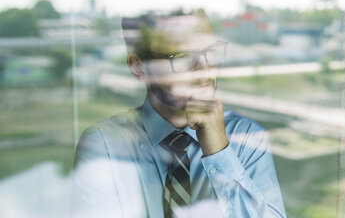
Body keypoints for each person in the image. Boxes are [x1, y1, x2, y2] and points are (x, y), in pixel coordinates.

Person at [72, 11, 286, 218]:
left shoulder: (245, 136)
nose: (204, 68)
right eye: (183, 57)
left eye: (210, 51)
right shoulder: (105, 144)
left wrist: (219, 152)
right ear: (139, 68)